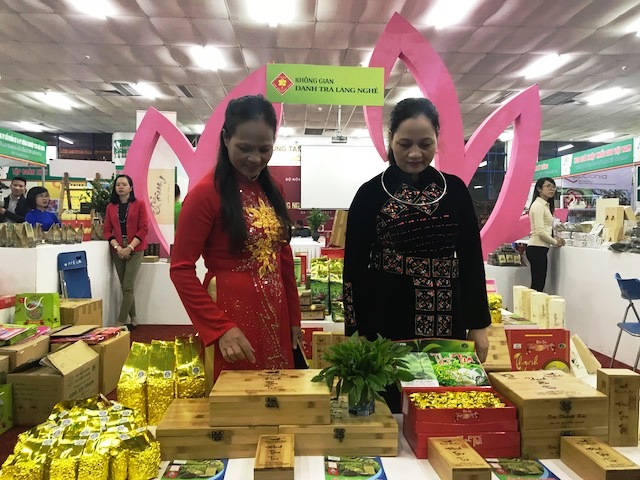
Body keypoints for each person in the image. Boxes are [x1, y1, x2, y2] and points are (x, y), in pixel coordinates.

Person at [343, 98, 491, 410]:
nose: (414, 153)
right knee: (391, 403)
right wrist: (355, 329)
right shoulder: (370, 194)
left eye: (425, 144)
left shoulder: (455, 191)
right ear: (390, 140)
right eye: (405, 144)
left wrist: (479, 323)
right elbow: (354, 267)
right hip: (387, 315)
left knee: (445, 402)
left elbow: (471, 260)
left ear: (437, 139)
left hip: (448, 315)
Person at [170, 94, 302, 383]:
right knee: (238, 394)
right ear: (226, 138)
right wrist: (219, 328)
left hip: (276, 309)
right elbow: (180, 269)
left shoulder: (274, 189)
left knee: (278, 391)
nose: (255, 159)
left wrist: (294, 317)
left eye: (265, 149)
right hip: (231, 311)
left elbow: (283, 257)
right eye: (244, 148)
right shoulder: (205, 194)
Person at [103, 174, 149, 329]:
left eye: (124, 184)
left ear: (131, 187)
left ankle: (120, 322)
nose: (120, 187)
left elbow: (144, 229)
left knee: (128, 286)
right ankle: (134, 318)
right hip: (117, 248)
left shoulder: (139, 204)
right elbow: (107, 230)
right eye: (118, 185)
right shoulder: (111, 207)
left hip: (135, 247)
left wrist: (129, 247)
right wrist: (118, 247)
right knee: (125, 286)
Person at [526, 177, 565, 292]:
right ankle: (531, 304)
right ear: (539, 189)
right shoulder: (538, 205)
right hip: (537, 248)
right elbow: (540, 231)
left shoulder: (545, 205)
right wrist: (555, 242)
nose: (552, 189)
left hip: (540, 249)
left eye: (553, 187)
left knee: (538, 284)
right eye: (548, 186)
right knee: (538, 285)